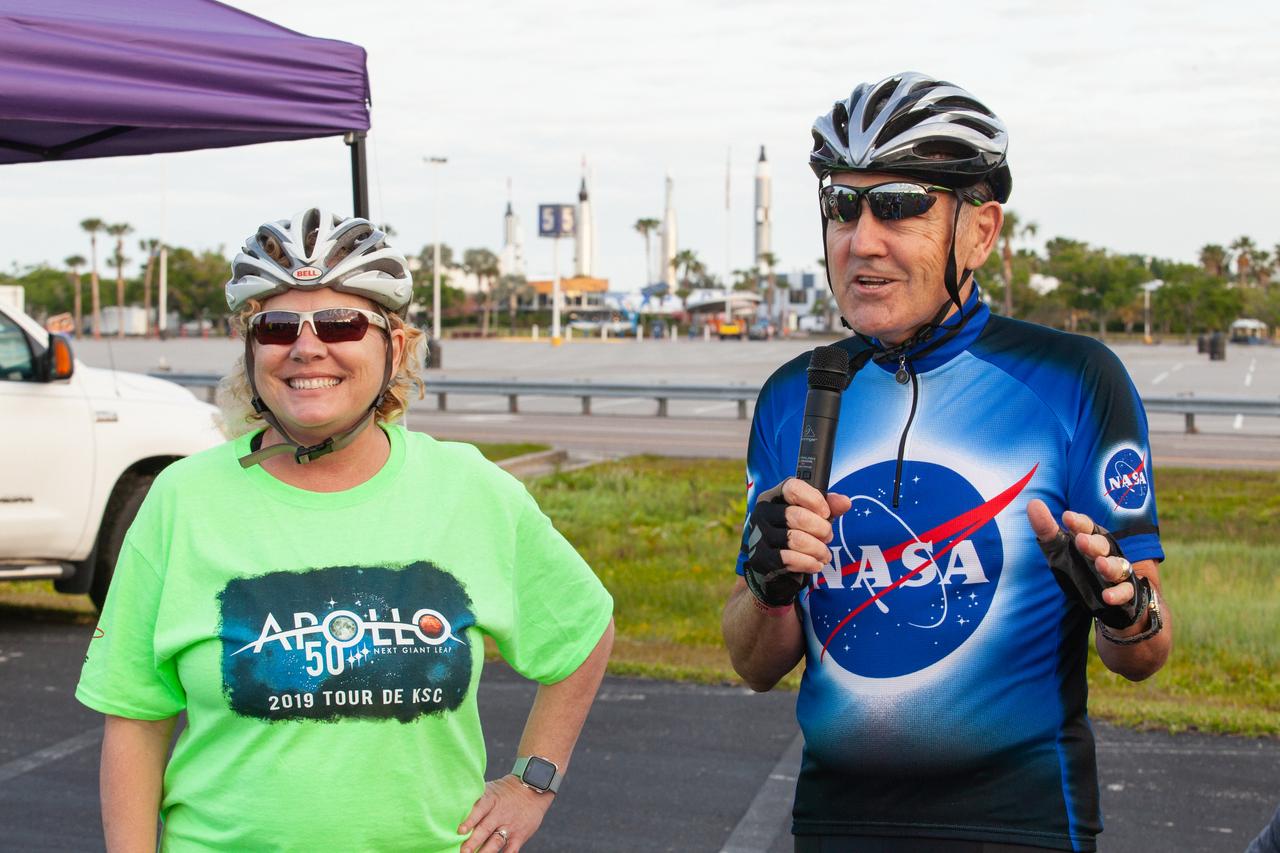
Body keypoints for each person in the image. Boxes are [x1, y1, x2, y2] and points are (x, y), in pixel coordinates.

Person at [722, 73, 1171, 852]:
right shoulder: (796, 392)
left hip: (1019, 818)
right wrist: (766, 588)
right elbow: (755, 664)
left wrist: (1122, 607)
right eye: (841, 205)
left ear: (980, 230)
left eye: (898, 204)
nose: (861, 239)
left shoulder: (1073, 378)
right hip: (835, 821)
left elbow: (1146, 653)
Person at [77, 209, 614, 853]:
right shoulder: (182, 499)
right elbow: (136, 717)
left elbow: (583, 632)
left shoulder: (470, 490)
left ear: (396, 345)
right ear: (251, 350)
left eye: (341, 322)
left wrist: (532, 783)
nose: (307, 347)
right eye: (277, 326)